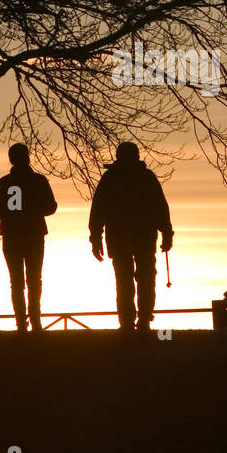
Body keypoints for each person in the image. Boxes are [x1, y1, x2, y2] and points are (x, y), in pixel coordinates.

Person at [88, 142, 173, 333]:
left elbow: (98, 210)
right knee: (145, 279)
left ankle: (128, 322)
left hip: (120, 237)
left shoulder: (111, 178)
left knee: (125, 280)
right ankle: (142, 320)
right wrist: (166, 233)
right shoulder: (146, 177)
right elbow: (160, 207)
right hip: (143, 236)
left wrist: (96, 238)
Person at [0, 144, 58, 332]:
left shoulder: (4, 182)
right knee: (34, 279)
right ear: (27, 157)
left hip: (12, 236)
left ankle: (21, 322)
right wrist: (33, 211)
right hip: (34, 235)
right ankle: (35, 320)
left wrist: (11, 215)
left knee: (16, 281)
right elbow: (51, 207)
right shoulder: (39, 181)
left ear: (11, 159)